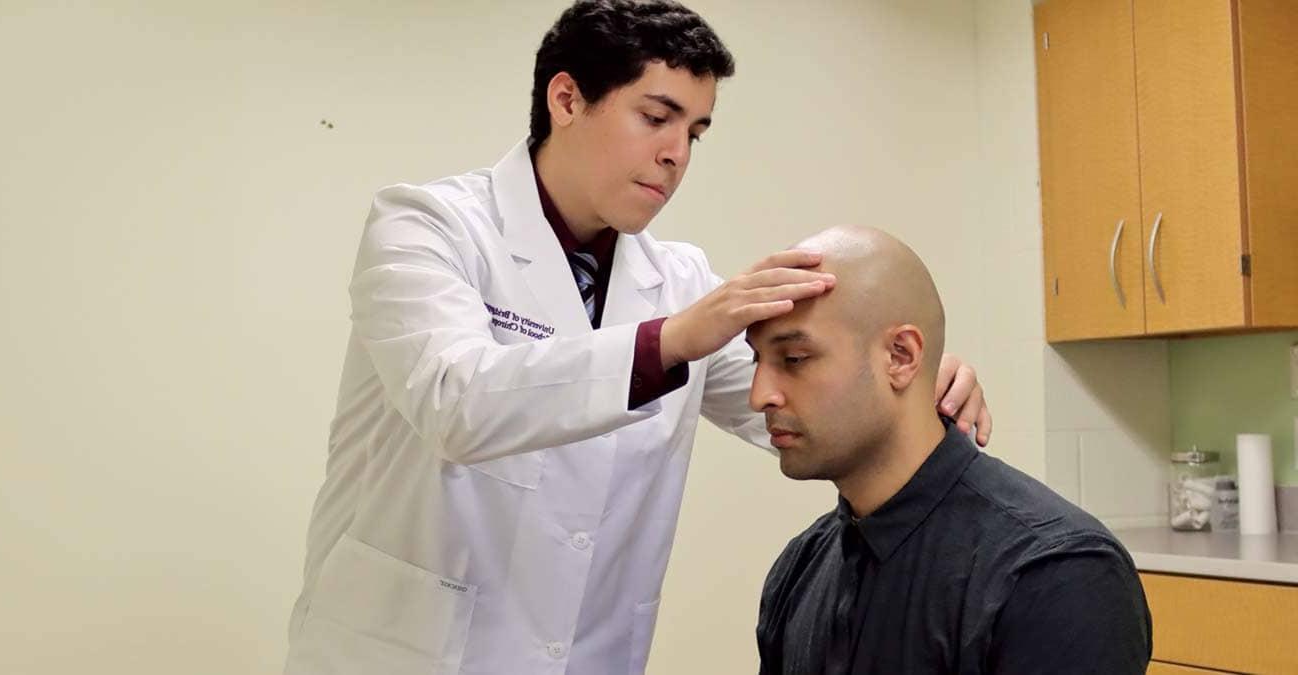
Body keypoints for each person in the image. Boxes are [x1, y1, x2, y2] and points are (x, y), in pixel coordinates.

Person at [285, 3, 994, 674]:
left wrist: (906, 382)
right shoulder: (426, 227)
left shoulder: (676, 280)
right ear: (566, 100)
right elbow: (456, 403)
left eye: (695, 132)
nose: (676, 154)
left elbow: (796, 404)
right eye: (656, 117)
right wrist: (673, 340)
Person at [750, 226, 1150, 674]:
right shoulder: (801, 566)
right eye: (756, 361)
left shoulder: (1056, 575)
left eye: (794, 360)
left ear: (900, 357)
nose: (759, 394)